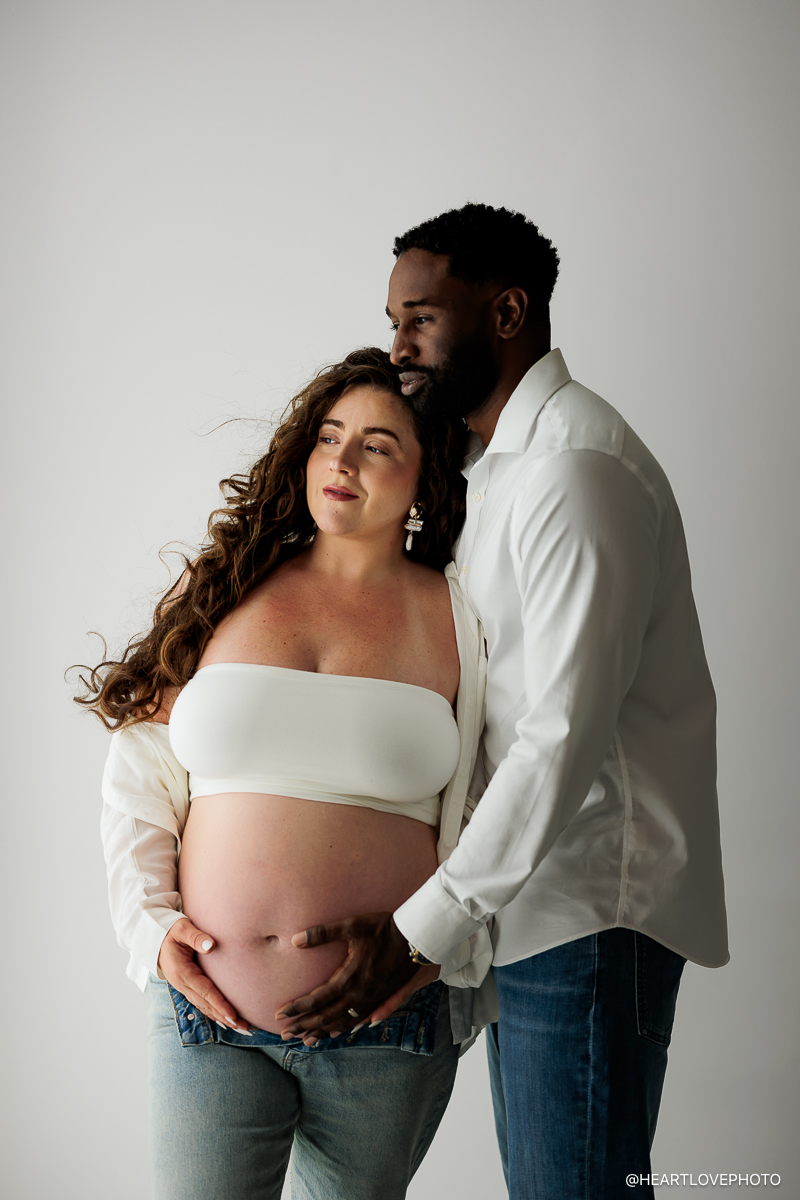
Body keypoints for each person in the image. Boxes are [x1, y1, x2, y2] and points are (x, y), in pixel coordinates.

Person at [275, 205, 730, 1200]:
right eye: (393, 322)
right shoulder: (499, 473)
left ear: (508, 312)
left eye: (420, 319)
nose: (399, 346)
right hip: (532, 911)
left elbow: (560, 735)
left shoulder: (574, 470)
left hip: (585, 913)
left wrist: (421, 925)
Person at [78, 348, 494, 1200]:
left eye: (377, 445)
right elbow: (140, 766)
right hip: (208, 1018)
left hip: (386, 1025)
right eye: (329, 437)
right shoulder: (226, 584)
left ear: (425, 477)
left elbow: (499, 797)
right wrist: (149, 927)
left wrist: (444, 942)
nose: (342, 461)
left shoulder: (465, 616)